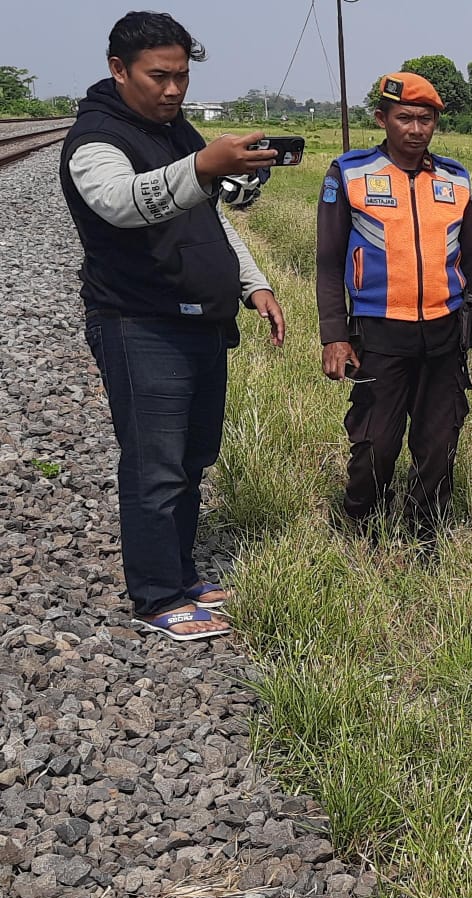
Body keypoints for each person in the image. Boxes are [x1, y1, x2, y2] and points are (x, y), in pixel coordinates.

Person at [60, 11, 286, 641]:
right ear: (118, 69)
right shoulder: (96, 138)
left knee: (191, 458)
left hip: (201, 321)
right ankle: (156, 594)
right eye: (159, 76)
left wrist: (254, 283)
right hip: (140, 322)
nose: (172, 90)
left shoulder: (175, 129)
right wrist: (203, 166)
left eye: (182, 76)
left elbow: (207, 220)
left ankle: (181, 573)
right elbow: (124, 203)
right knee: (154, 463)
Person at [315, 71, 472, 536]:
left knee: (439, 443)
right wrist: (334, 335)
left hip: (444, 332)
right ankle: (360, 523)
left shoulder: (455, 180)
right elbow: (327, 261)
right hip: (380, 333)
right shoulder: (351, 174)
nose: (415, 130)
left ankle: (423, 534)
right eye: (405, 118)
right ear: (382, 118)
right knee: (375, 443)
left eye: (425, 119)